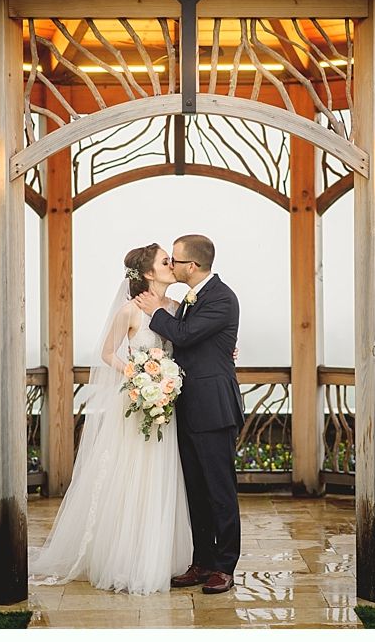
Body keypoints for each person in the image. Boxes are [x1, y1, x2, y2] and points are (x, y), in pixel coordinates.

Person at [25, 244, 193, 594]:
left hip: (166, 409)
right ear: (148, 273)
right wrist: (138, 375)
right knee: (130, 478)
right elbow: (106, 353)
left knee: (162, 479)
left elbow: (191, 345)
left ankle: (160, 557)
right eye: (166, 261)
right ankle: (125, 558)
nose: (172, 264)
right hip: (136, 407)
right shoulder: (129, 312)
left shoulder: (177, 308)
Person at [135, 234, 243, 595]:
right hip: (188, 408)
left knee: (220, 491)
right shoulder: (188, 300)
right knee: (196, 491)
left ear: (191, 266)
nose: (172, 266)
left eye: (175, 261)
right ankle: (202, 562)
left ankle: (225, 567)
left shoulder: (223, 299)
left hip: (214, 410)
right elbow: (190, 344)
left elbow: (184, 334)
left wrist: (155, 312)